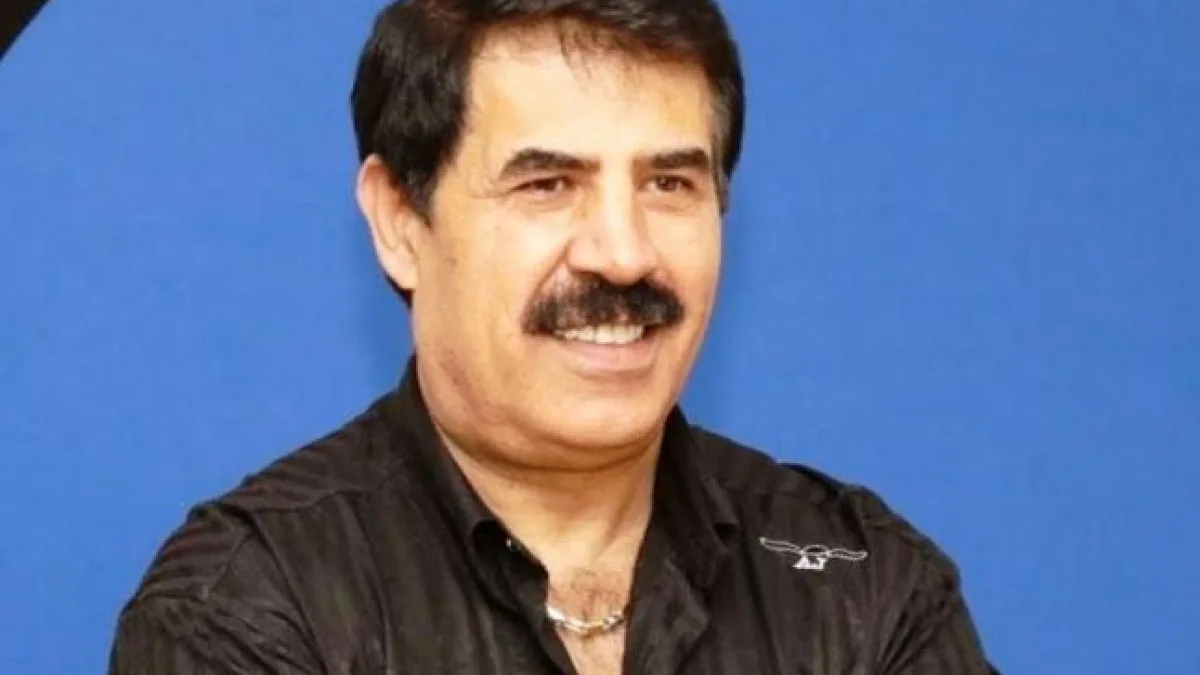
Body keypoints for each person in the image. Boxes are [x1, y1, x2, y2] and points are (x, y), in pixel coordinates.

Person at [109, 0, 998, 673]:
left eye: (669, 185)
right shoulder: (247, 607)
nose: (623, 253)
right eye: (548, 185)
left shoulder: (863, 586)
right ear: (399, 221)